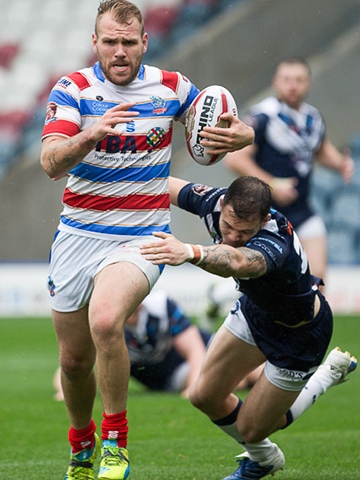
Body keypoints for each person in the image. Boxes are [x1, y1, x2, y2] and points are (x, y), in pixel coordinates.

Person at [39, 1, 254, 479]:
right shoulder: (73, 89)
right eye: (110, 42)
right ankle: (81, 443)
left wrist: (241, 135)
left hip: (139, 236)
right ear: (95, 42)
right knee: (74, 362)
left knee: (107, 319)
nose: (120, 51)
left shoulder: (172, 87)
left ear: (144, 42)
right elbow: (51, 162)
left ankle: (116, 442)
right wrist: (88, 135)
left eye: (129, 42)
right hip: (78, 235)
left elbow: (223, 126)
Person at [140, 175, 357, 479]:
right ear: (224, 203)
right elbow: (160, 181)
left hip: (299, 335)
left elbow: (239, 262)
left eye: (244, 232)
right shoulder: (213, 201)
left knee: (253, 428)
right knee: (202, 396)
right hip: (255, 315)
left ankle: (327, 374)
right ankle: (265, 459)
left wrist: (191, 251)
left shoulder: (275, 238)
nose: (231, 236)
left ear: (264, 219)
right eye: (227, 226)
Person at [225, 57, 354, 284]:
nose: (293, 85)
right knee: (265, 284)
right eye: (287, 79)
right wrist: (272, 184)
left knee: (317, 281)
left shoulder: (312, 117)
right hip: (267, 215)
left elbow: (321, 150)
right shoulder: (262, 116)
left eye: (299, 80)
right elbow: (234, 159)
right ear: (276, 81)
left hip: (303, 212)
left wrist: (341, 164)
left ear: (308, 83)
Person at [53, 289, 262, 401]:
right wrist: (67, 391)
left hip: (205, 348)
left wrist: (193, 388)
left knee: (250, 365)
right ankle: (233, 378)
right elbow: (74, 364)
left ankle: (280, 384)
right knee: (226, 378)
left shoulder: (160, 306)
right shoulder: (103, 323)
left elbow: (195, 349)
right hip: (172, 375)